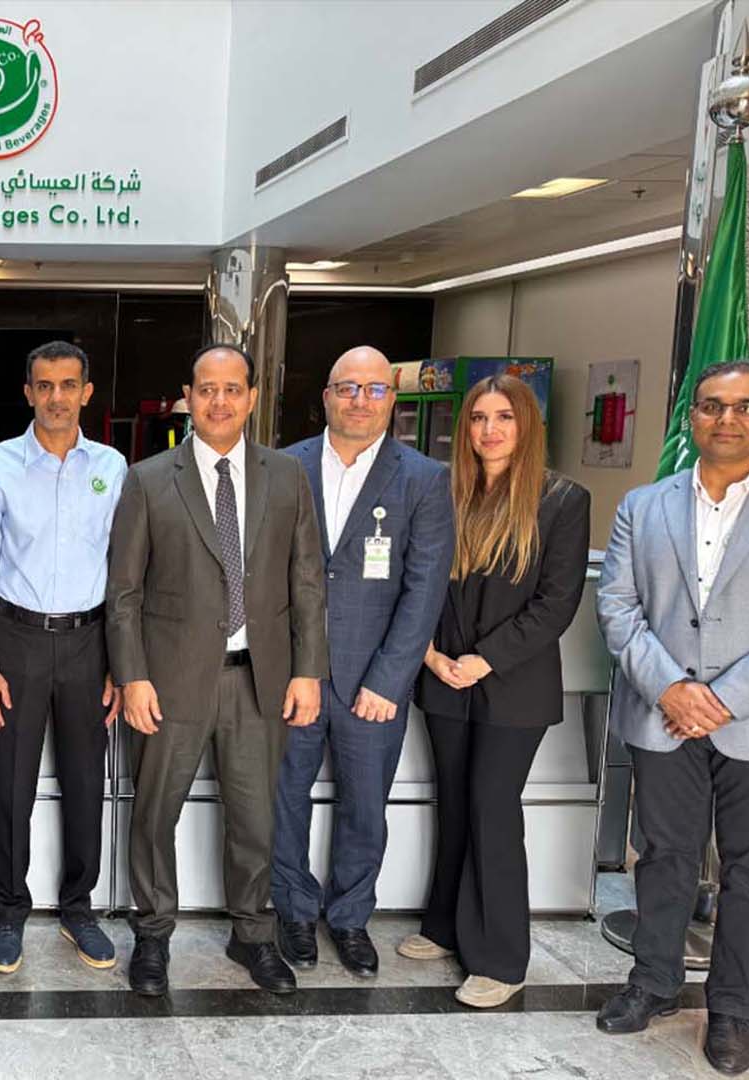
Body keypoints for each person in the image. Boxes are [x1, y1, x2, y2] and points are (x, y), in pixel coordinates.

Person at [106, 345, 328, 997]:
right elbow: (124, 593)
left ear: (252, 397)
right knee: (154, 815)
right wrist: (133, 676)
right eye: (207, 389)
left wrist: (309, 669)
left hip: (261, 680)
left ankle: (252, 935)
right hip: (169, 681)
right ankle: (152, 935)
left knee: (256, 818)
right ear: (188, 395)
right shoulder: (148, 478)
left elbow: (308, 580)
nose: (220, 401)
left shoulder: (287, 477)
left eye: (233, 389)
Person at [595, 360, 749, 1076]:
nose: (726, 419)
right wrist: (671, 688)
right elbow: (617, 606)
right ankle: (653, 983)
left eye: (745, 406)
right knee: (664, 857)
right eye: (711, 405)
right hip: (663, 715)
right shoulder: (644, 505)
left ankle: (733, 1012)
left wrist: (725, 697)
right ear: (691, 416)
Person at [405, 374, 591, 1008]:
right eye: (479, 418)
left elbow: (556, 603)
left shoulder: (562, 499)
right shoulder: (444, 491)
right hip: (442, 678)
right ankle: (444, 925)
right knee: (454, 801)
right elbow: (420, 579)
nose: (489, 430)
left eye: (503, 417)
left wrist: (483, 660)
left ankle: (501, 958)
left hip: (512, 684)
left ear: (527, 426)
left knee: (491, 805)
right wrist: (428, 653)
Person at [273, 345, 454, 977]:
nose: (359, 400)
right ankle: (293, 911)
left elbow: (424, 587)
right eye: (346, 388)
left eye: (374, 390)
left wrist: (389, 677)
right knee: (284, 798)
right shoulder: (283, 466)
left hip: (373, 680)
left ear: (392, 402)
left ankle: (349, 918)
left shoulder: (424, 479)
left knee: (364, 805)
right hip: (294, 675)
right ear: (324, 395)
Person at [0, 340, 125, 975]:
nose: (57, 396)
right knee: (12, 783)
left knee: (86, 780)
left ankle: (78, 908)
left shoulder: (113, 468)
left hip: (90, 642)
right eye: (44, 385)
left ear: (86, 392)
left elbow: (126, 574)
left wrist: (121, 663)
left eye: (69, 384)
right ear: (28, 392)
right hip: (16, 642)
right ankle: (9, 910)